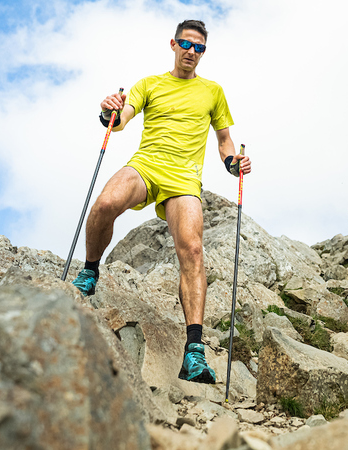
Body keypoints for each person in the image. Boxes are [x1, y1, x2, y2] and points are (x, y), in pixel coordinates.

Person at [70, 19, 251, 385]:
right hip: (147, 164)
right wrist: (108, 111)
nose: (191, 52)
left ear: (203, 52)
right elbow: (119, 120)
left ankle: (194, 354)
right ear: (173, 44)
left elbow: (224, 140)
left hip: (184, 179)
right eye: (186, 44)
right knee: (106, 204)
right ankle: (90, 271)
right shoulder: (149, 84)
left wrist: (233, 162)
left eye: (199, 48)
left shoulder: (213, 91)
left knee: (193, 250)